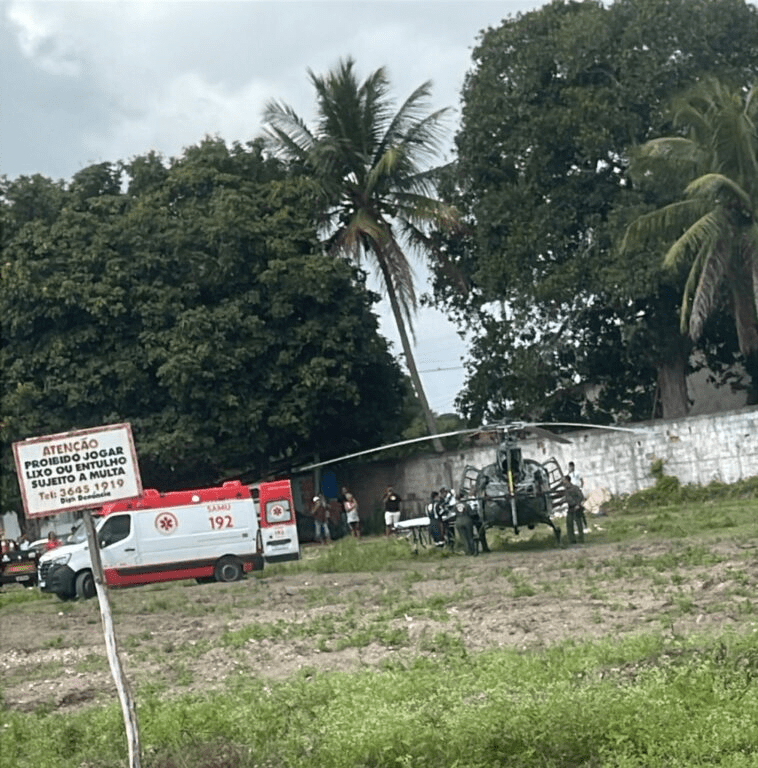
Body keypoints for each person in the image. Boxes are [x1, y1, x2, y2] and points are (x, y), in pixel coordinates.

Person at [561, 475, 585, 544]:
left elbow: (581, 497)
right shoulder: (566, 489)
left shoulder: (575, 488)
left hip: (576, 508)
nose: (562, 481)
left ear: (567, 480)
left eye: (563, 480)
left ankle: (581, 539)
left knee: (579, 524)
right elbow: (567, 498)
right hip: (570, 508)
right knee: (569, 524)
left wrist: (577, 505)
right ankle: (572, 540)